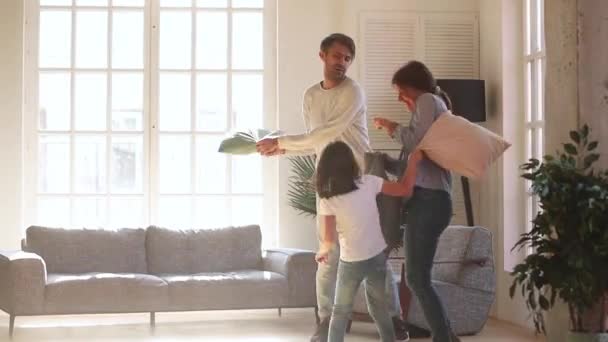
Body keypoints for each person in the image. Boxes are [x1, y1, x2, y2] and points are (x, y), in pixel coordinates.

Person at [256, 33, 409, 342]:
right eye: (337, 56)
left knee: (374, 253)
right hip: (328, 182)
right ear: (322, 56)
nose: (342, 62)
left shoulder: (354, 92)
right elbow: (318, 140)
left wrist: (282, 141)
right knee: (328, 254)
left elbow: (330, 131)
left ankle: (394, 319)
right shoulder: (311, 95)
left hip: (360, 179)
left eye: (347, 58)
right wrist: (283, 150)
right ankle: (328, 318)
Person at [374, 60, 460, 342]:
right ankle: (445, 335)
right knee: (418, 276)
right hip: (429, 201)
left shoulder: (427, 100)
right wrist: (385, 161)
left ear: (413, 86)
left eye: (400, 91)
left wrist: (391, 127)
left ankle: (443, 337)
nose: (400, 98)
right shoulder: (433, 106)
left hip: (429, 201)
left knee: (416, 277)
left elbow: (415, 141)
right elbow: (416, 164)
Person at [315, 141, 423, 342]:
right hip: (376, 257)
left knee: (340, 311)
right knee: (379, 308)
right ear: (351, 163)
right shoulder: (369, 182)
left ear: (325, 169)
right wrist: (413, 162)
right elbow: (405, 189)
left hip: (351, 263)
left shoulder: (327, 200)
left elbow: (329, 241)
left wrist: (323, 252)